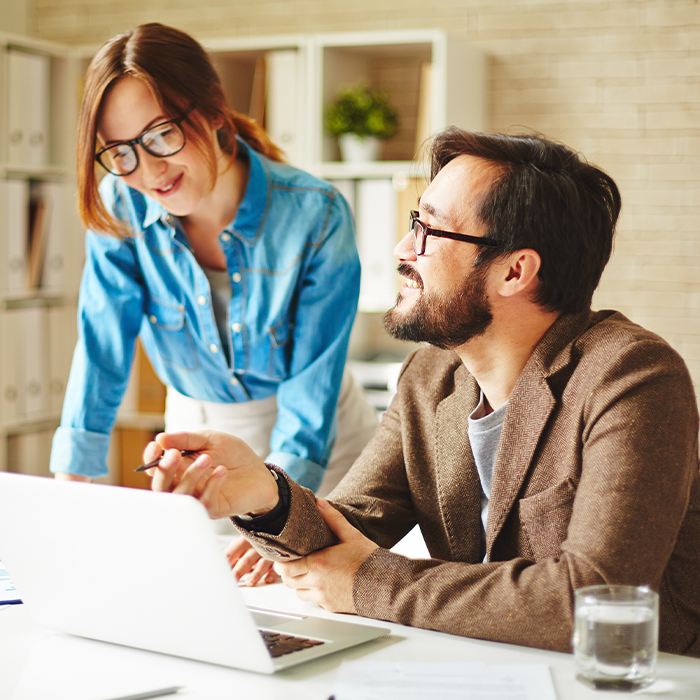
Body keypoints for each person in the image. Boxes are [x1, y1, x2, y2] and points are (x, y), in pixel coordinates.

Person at [145, 127, 700, 656]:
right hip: (487, 666)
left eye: (430, 230)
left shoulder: (633, 377)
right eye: (415, 222)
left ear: (515, 271)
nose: (401, 248)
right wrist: (263, 494)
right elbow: (348, 530)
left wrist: (372, 584)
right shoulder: (430, 378)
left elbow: (592, 599)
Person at [49, 22, 378, 585]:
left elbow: (311, 386)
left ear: (214, 112)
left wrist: (283, 511)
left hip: (321, 446)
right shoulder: (120, 206)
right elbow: (103, 347)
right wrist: (72, 484)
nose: (148, 172)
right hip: (198, 433)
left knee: (310, 607)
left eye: (160, 135)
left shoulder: (316, 215)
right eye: (120, 152)